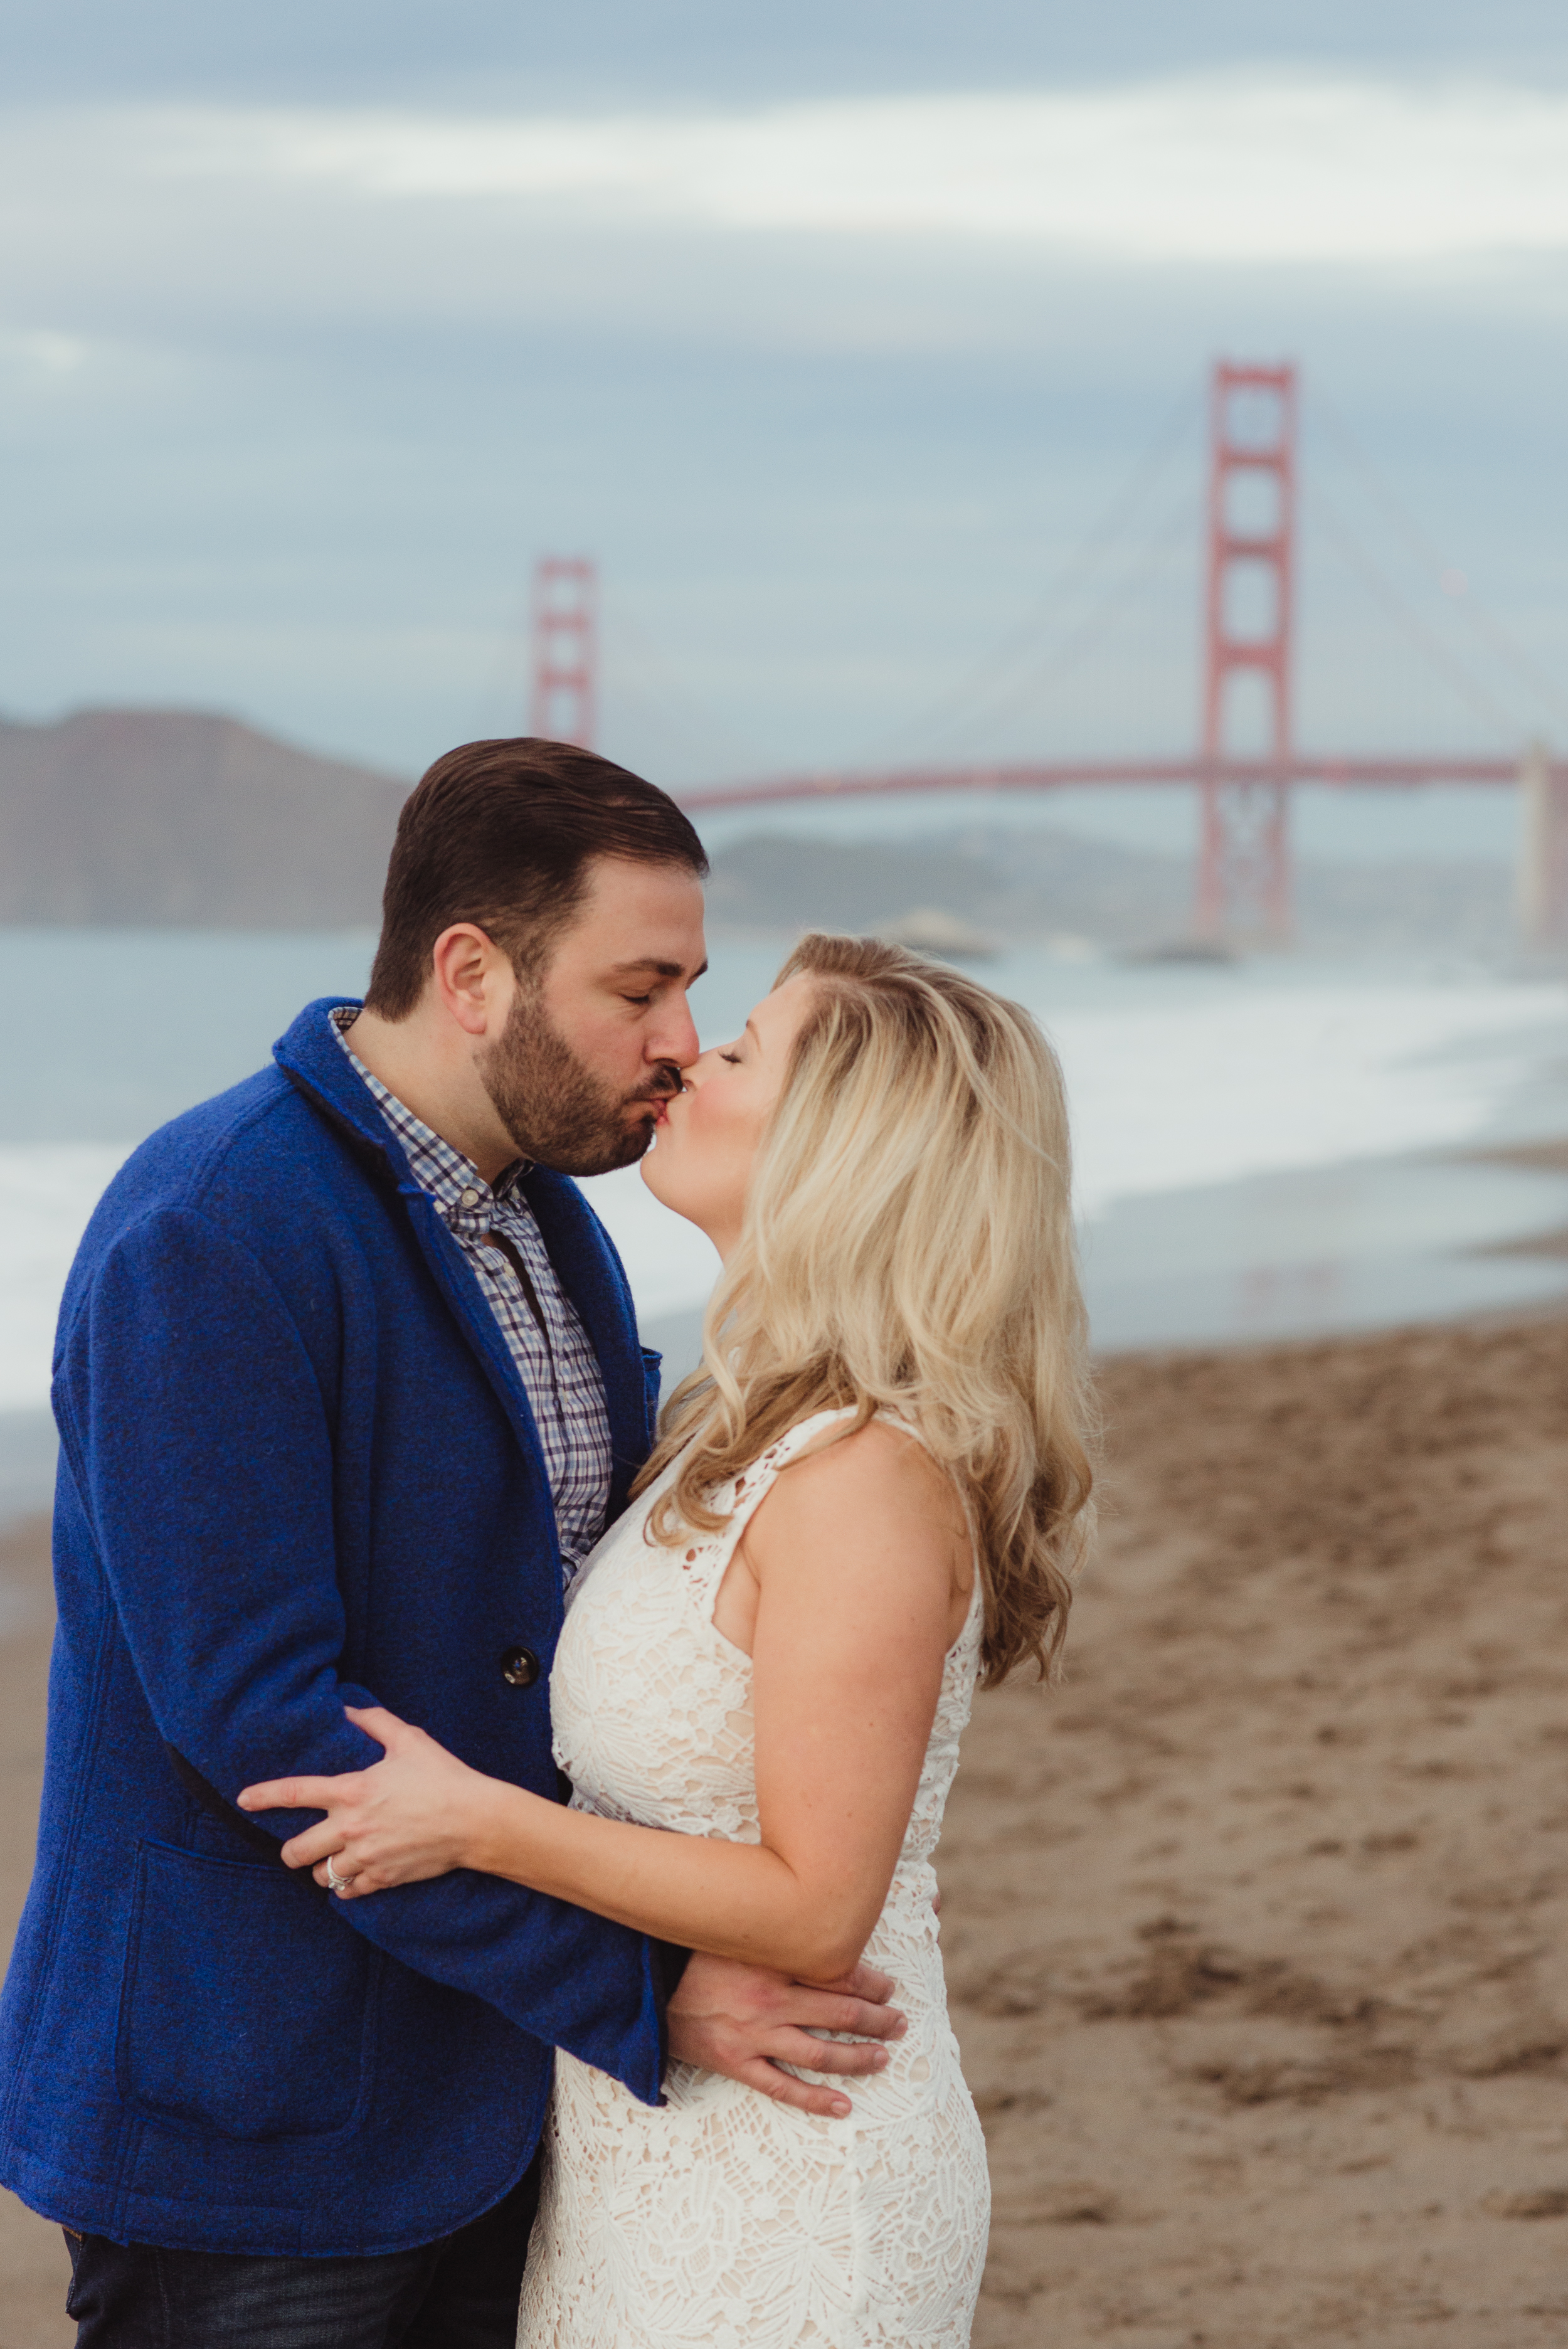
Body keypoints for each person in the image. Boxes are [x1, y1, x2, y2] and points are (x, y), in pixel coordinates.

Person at [0, 741, 905, 2348]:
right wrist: (637, 1987)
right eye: (641, 989)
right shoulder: (213, 1227)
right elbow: (269, 1728)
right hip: (252, 2118)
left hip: (492, 2086)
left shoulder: (553, 1224)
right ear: (472, 973)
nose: (681, 1046)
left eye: (695, 990)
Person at [240, 931, 1098, 2347]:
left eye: (743, 1047)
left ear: (845, 1143)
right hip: (651, 2145)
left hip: (791, 2168)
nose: (691, 1053)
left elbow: (818, 1904)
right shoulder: (736, 1423)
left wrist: (474, 1822)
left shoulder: (864, 1480)